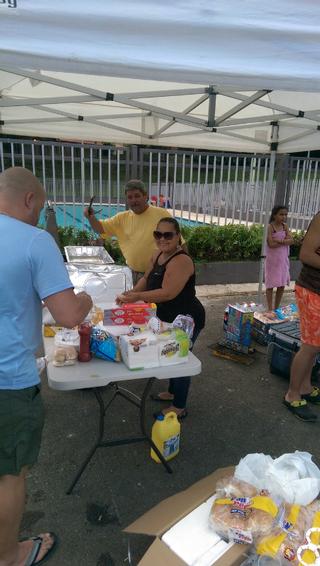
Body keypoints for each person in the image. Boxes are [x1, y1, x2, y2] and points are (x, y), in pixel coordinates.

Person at [0, 167, 93, 565]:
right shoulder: (35, 241)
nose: (39, 215)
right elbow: (70, 315)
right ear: (29, 199)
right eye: (39, 207)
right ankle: (9, 554)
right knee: (9, 474)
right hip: (8, 380)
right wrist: (87, 297)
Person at [116, 217, 205, 419]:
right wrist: (131, 294)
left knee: (180, 359)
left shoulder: (181, 260)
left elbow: (167, 293)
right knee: (170, 353)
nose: (162, 238)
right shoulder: (158, 255)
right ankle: (173, 393)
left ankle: (179, 406)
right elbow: (147, 279)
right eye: (158, 234)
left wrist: (138, 297)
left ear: (178, 236)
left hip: (186, 319)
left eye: (168, 235)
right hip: (167, 316)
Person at [84, 179, 186, 285]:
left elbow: (180, 242)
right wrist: (91, 217)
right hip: (133, 274)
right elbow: (101, 228)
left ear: (145, 196)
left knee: (155, 301)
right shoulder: (121, 219)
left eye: (137, 196)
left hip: (158, 274)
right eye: (130, 197)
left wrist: (186, 270)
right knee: (136, 301)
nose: (134, 200)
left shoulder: (161, 214)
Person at [283, 212, 320, 422]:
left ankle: (305, 387)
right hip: (312, 289)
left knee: (315, 344)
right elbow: (306, 254)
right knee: (311, 346)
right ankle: (292, 394)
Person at [265, 205, 293, 311]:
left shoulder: (285, 226)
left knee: (281, 285)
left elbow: (291, 240)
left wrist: (280, 241)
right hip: (272, 261)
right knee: (270, 285)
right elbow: (271, 244)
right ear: (274, 215)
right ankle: (270, 309)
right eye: (281, 214)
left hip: (283, 260)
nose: (284, 217)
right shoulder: (270, 227)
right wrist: (285, 241)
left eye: (285, 214)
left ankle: (276, 308)